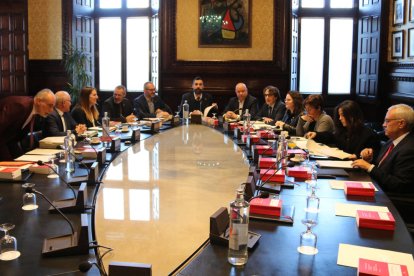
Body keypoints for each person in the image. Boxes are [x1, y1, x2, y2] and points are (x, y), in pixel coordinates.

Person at [352, 104, 414, 193]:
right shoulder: (391, 141)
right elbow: (382, 169)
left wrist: (369, 167)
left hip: (392, 198)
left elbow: (399, 184)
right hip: (378, 188)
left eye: (387, 121)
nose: (383, 125)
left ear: (401, 124)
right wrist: (368, 160)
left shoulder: (409, 149)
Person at [306, 100, 381, 159]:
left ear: (351, 116)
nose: (340, 118)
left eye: (342, 115)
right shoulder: (343, 131)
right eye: (339, 115)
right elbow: (331, 137)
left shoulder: (369, 135)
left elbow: (372, 156)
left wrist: (357, 156)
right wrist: (316, 134)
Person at [0, 88, 56, 160]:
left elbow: (14, 136)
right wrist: (7, 160)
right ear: (38, 101)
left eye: (53, 107)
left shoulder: (36, 111)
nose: (51, 110)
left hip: (9, 142)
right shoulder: (20, 106)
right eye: (49, 105)